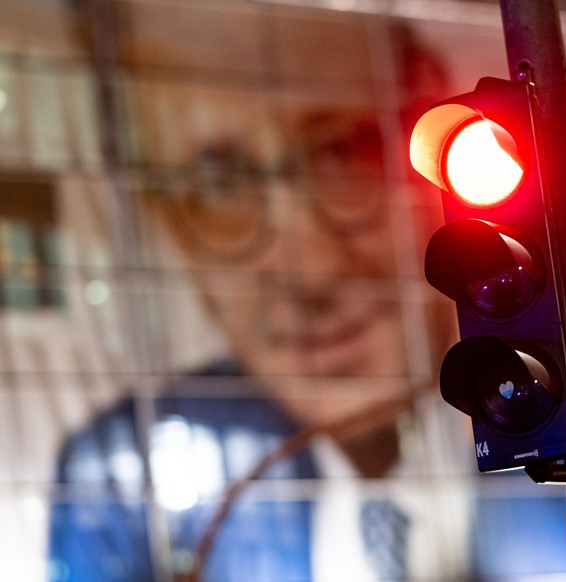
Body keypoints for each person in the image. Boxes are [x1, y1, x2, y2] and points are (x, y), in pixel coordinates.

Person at [48, 3, 473, 581]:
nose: (313, 274)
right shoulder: (120, 476)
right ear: (166, 220)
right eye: (218, 187)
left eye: (342, 154)